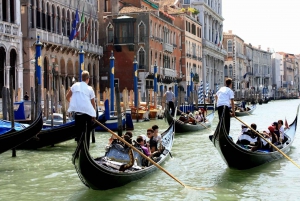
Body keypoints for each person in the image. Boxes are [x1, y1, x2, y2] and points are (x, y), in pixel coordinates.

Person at [66, 70, 96, 148]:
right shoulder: (90, 89)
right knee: (87, 134)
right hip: (87, 114)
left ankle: (80, 150)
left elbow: (67, 97)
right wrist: (94, 115)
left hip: (78, 114)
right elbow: (93, 103)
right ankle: (87, 149)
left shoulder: (75, 85)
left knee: (79, 133)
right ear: (88, 79)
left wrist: (73, 103)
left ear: (81, 78)